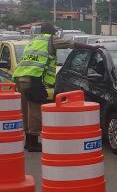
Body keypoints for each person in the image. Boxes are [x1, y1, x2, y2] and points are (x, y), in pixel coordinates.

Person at [12, 23, 73, 152]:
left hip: (19, 77)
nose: (56, 34)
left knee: (26, 109)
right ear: (50, 32)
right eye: (54, 32)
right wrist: (92, 47)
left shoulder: (33, 40)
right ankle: (33, 142)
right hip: (32, 78)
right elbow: (69, 44)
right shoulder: (49, 39)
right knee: (35, 110)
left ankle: (28, 142)